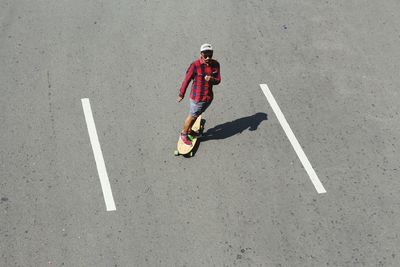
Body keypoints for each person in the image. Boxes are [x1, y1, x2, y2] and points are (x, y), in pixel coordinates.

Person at [177, 43, 221, 145]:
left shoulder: (215, 64)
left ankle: (189, 130)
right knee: (192, 116)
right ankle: (184, 134)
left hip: (208, 97)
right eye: (205, 55)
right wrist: (181, 94)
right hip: (197, 98)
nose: (208, 58)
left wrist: (212, 79)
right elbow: (186, 80)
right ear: (201, 54)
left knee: (196, 114)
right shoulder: (195, 65)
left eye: (210, 55)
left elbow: (218, 80)